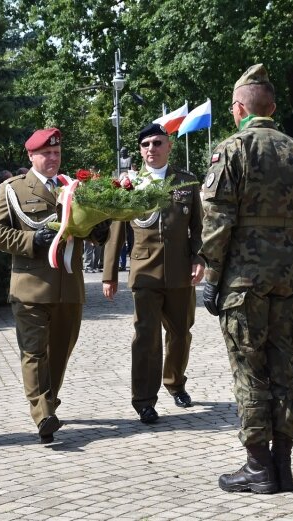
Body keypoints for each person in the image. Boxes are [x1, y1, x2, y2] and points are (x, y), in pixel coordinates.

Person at [200, 64, 293, 494]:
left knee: (249, 371)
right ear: (271, 107)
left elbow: (218, 221)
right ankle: (284, 468)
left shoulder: (232, 150)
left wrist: (211, 276)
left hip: (243, 281)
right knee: (284, 369)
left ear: (239, 108)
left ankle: (258, 467)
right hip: (288, 280)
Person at [0, 128, 108, 444]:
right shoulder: (12, 189)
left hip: (68, 286)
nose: (53, 158)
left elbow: (83, 228)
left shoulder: (72, 187)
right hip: (31, 286)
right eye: (46, 154)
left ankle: (49, 403)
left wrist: (100, 231)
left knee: (60, 352)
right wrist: (30, 240)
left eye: (56, 153)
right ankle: (42, 414)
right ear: (31, 156)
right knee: (34, 351)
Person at [102, 123, 205, 424]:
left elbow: (198, 226)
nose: (151, 149)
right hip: (145, 271)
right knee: (145, 338)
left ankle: (175, 381)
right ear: (140, 150)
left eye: (157, 143)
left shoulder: (186, 182)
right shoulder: (129, 185)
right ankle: (144, 400)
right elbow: (116, 231)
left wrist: (199, 258)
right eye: (146, 144)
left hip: (180, 272)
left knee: (180, 334)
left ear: (169, 146)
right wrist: (110, 274)